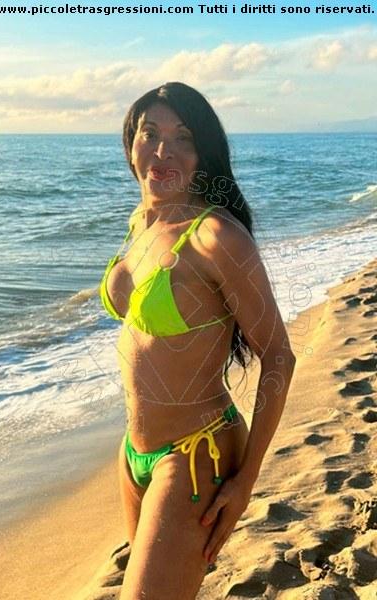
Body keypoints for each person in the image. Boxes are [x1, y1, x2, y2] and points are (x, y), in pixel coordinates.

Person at [99, 81, 296, 600]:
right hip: (134, 455)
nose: (163, 150)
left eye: (182, 137)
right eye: (149, 133)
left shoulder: (216, 236)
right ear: (130, 143)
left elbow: (279, 355)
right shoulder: (141, 224)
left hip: (194, 455)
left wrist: (245, 482)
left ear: (203, 153)